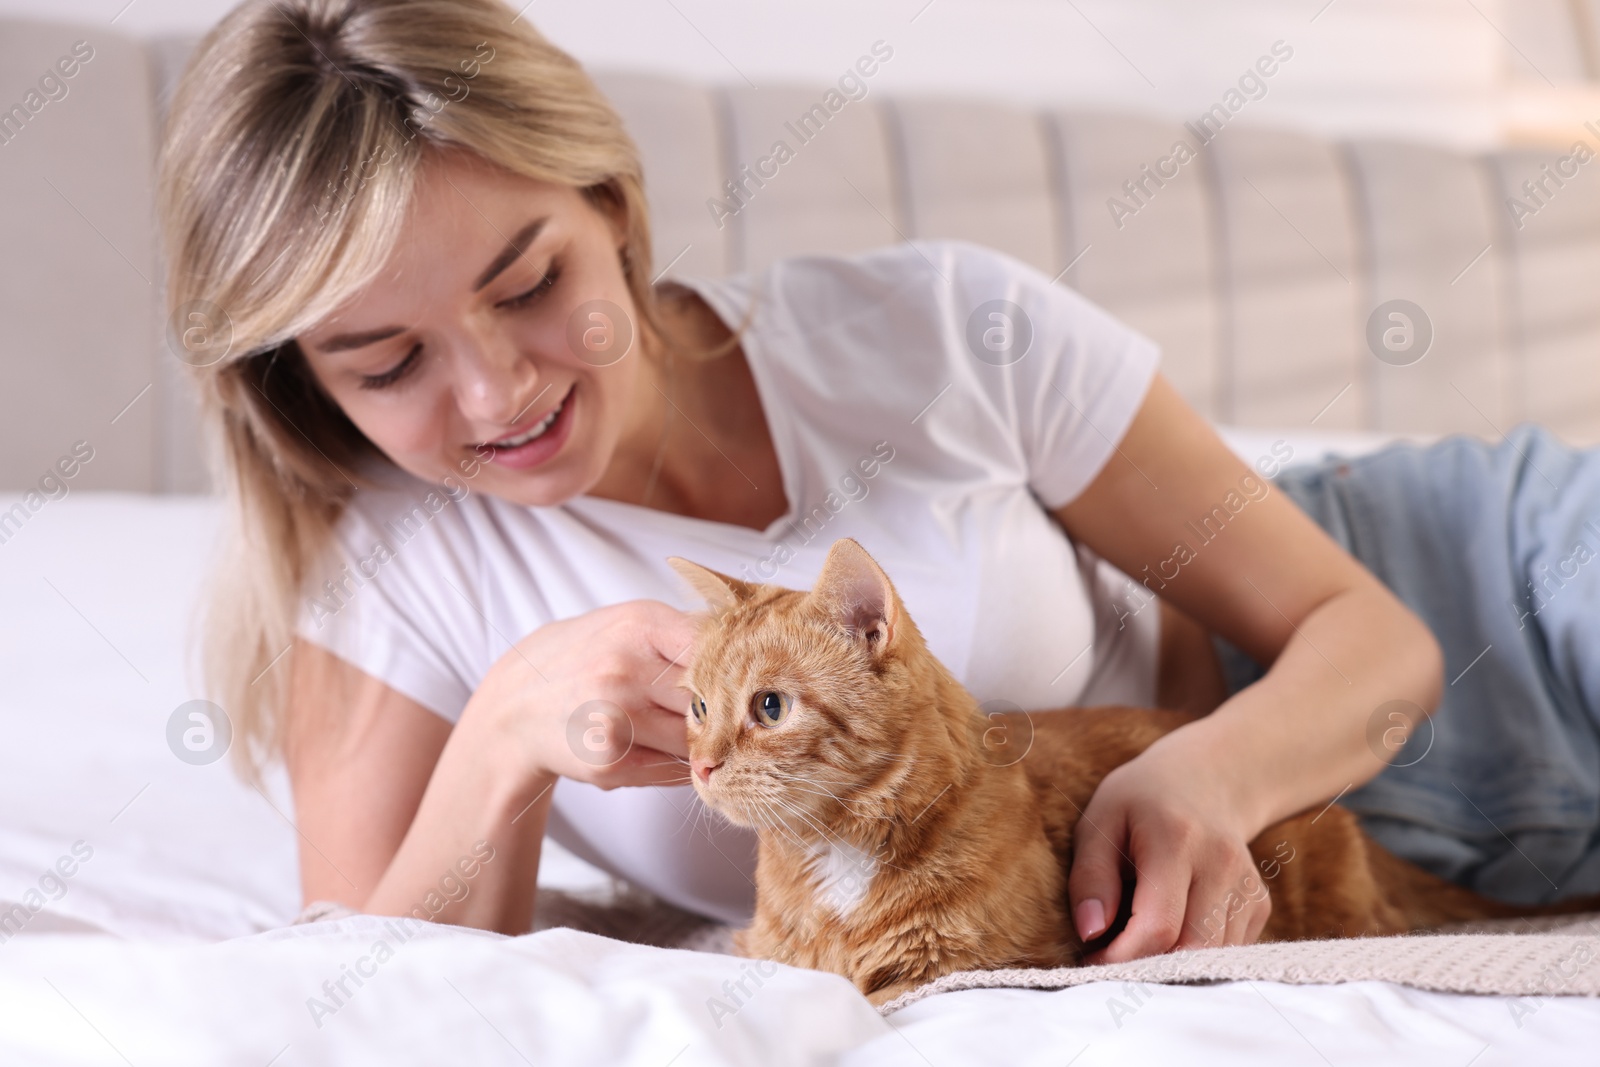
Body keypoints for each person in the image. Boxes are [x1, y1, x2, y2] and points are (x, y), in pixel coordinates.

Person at [156, 0, 1600, 965]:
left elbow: (1378, 640)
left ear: (610, 208)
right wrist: (505, 743)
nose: (499, 392)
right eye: (386, 361)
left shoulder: (936, 330)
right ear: (302, 383)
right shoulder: (395, 576)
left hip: (1461, 605)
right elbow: (356, 996)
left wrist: (1203, 774)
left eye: (528, 285)